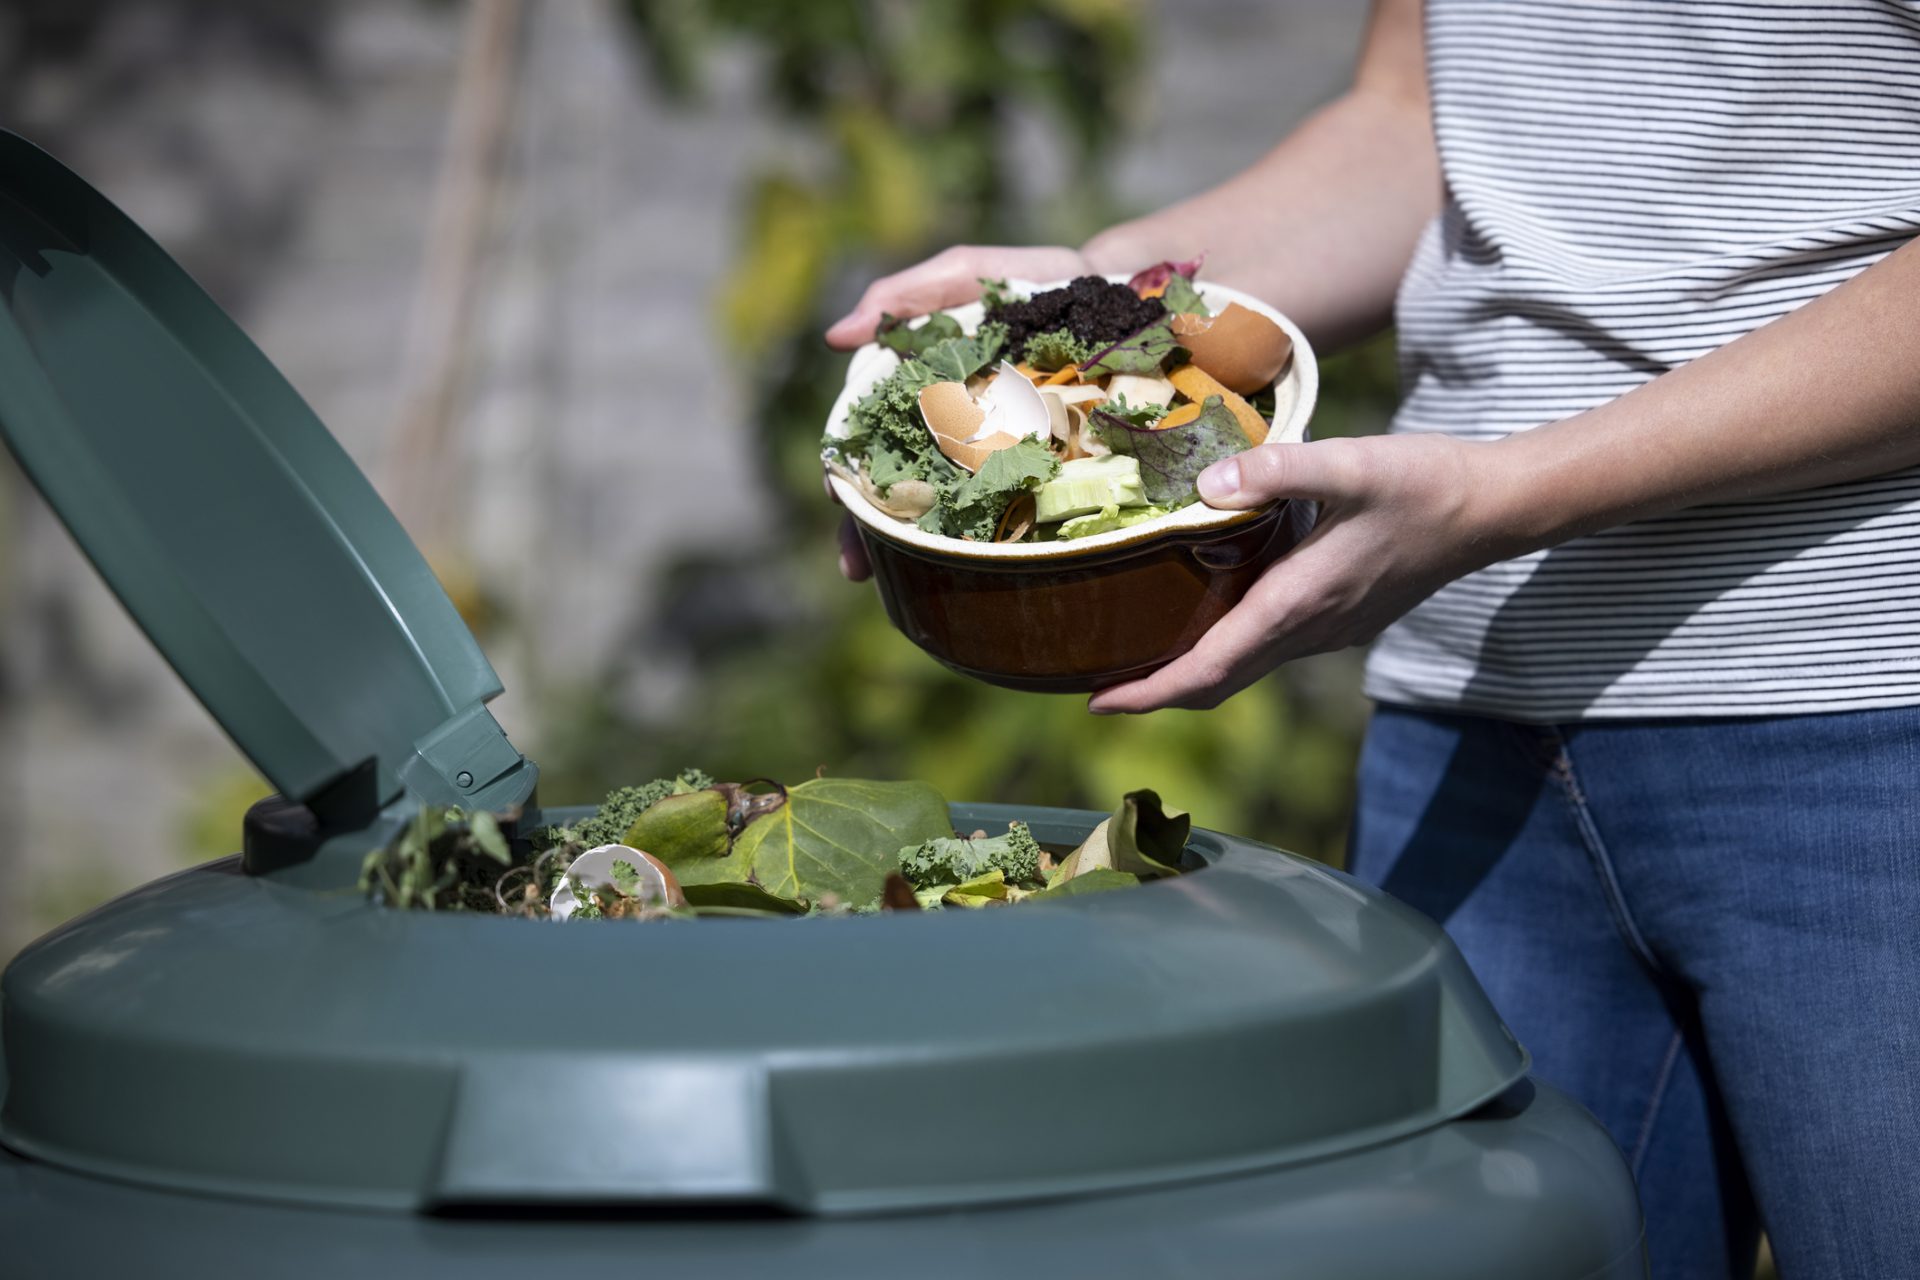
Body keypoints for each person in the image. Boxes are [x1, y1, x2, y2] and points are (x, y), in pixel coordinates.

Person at [823, 1, 1920, 1276]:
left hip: (1859, 725)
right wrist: (1083, 302)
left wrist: (1510, 490)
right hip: (1473, 733)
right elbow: (1425, 121)